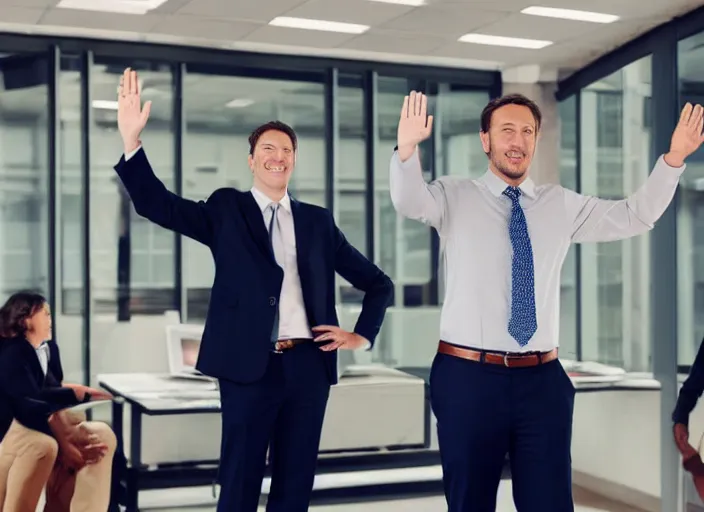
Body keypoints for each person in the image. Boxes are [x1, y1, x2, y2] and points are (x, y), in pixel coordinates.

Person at [389, 90, 704, 511]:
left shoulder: (560, 204)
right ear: (486, 140)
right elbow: (409, 201)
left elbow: (636, 214)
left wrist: (673, 160)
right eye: (507, 131)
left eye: (527, 131)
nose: (517, 141)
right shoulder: (454, 196)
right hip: (468, 378)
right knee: (469, 502)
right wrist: (407, 150)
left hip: (542, 381)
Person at [114, 68, 393, 512]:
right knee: (240, 480)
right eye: (268, 148)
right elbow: (157, 205)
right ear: (252, 159)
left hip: (308, 366)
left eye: (286, 150)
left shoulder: (318, 222)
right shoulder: (227, 209)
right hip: (250, 368)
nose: (277, 156)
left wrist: (360, 335)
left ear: (294, 160)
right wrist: (132, 142)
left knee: (294, 483)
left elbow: (378, 284)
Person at [0, 291, 117, 511]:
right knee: (45, 446)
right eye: (44, 314)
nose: (50, 319)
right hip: (18, 425)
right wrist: (65, 440)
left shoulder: (49, 349)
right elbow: (28, 404)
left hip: (43, 419)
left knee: (101, 435)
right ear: (25, 319)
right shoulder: (11, 353)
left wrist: (77, 393)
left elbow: (51, 390)